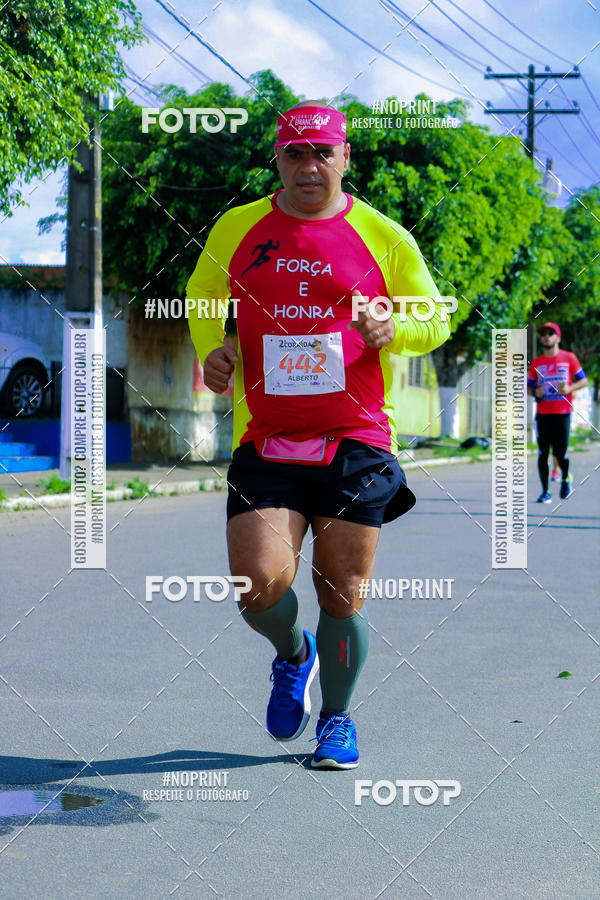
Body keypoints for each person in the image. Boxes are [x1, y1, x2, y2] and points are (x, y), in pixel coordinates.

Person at [186, 101, 451, 769]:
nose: (310, 166)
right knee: (258, 583)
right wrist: (213, 349)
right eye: (295, 154)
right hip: (266, 436)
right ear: (278, 159)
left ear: (344, 158)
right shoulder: (240, 227)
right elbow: (200, 293)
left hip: (357, 439)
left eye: (322, 154)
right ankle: (293, 655)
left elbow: (432, 316)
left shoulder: (384, 235)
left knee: (341, 590)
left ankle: (336, 719)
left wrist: (399, 329)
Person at [527, 322, 588, 503]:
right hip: (543, 414)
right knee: (543, 453)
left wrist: (569, 387)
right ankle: (545, 491)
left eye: (550, 333)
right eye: (543, 334)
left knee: (560, 453)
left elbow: (583, 381)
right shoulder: (537, 363)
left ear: (558, 338)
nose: (546, 336)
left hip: (562, 412)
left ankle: (565, 478)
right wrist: (535, 392)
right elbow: (529, 387)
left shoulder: (569, 358)